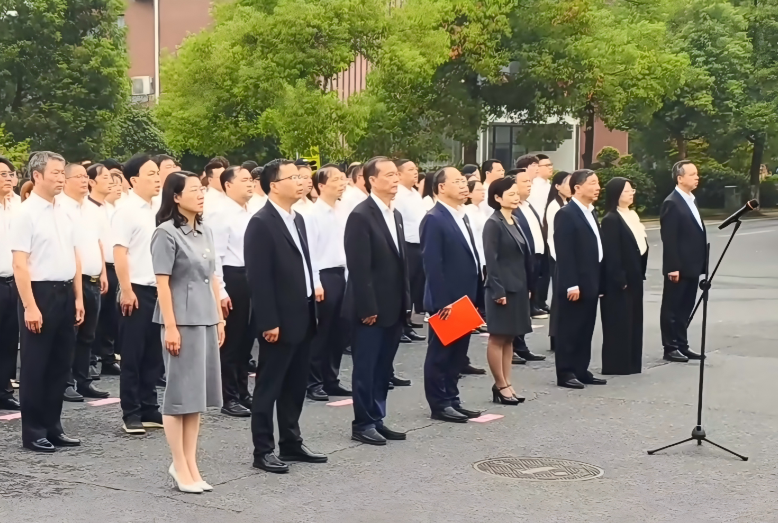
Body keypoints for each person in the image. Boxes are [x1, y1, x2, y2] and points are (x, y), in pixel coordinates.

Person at [245, 158, 326, 474]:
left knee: (295, 384)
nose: (301, 181)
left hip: (303, 312)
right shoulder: (261, 223)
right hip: (278, 319)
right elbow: (259, 278)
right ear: (274, 185)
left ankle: (291, 441)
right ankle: (263, 449)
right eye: (293, 177)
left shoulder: (298, 219)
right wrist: (268, 321)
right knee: (269, 386)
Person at [152, 170, 225, 494]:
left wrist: (219, 319)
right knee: (179, 397)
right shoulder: (166, 233)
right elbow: (162, 283)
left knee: (197, 398)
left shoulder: (204, 230)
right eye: (193, 190)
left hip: (204, 317)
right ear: (176, 196)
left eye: (201, 189)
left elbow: (212, 277)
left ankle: (191, 464)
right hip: (180, 321)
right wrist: (170, 326)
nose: (200, 194)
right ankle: (179, 464)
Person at [10, 151, 85, 452]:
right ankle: (33, 431)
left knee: (60, 364)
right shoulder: (25, 214)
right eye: (55, 172)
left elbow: (74, 255)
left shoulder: (65, 210)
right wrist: (30, 306)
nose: (61, 178)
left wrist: (78, 297)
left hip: (66, 291)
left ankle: (54, 426)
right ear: (37, 176)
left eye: (62, 172)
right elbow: (20, 264)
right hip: (39, 293)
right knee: (35, 365)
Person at [344, 156, 411, 446]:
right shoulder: (361, 215)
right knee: (366, 367)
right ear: (372, 180)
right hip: (370, 308)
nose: (395, 180)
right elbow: (359, 267)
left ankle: (377, 417)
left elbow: (400, 263)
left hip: (393, 304)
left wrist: (406, 301)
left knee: (384, 367)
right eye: (389, 175)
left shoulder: (395, 214)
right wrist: (367, 307)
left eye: (397, 174)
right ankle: (363, 422)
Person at [420, 167, 483, 423]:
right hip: (448, 300)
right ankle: (439, 403)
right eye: (457, 181)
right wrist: (443, 301)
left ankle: (453, 398)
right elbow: (432, 264)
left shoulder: (462, 215)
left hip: (465, 296)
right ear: (441, 187)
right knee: (441, 354)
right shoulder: (434, 218)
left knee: (458, 354)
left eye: (464, 181)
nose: (464, 185)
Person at [112, 153, 164, 434]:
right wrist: (126, 289)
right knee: (132, 353)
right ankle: (130, 411)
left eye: (158, 173)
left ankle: (149, 406)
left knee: (154, 354)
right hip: (136, 289)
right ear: (133, 180)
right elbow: (120, 252)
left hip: (159, 289)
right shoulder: (126, 210)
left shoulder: (159, 208)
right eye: (151, 174)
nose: (157, 178)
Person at [58, 164, 110, 402]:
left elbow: (98, 242)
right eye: (78, 176)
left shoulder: (92, 209)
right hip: (72, 281)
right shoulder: (60, 208)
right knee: (70, 334)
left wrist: (103, 272)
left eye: (85, 177)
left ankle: (84, 380)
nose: (83, 180)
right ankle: (65, 382)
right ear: (65, 180)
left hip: (93, 279)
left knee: (88, 335)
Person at [208, 165, 255, 417]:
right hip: (232, 276)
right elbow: (215, 256)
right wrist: (222, 291)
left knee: (246, 340)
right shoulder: (221, 214)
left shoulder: (251, 211)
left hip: (251, 276)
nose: (250, 183)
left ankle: (243, 391)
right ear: (228, 185)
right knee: (232, 341)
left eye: (251, 179)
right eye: (244, 180)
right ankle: (229, 397)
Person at [553, 169, 607, 389]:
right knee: (570, 328)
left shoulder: (591, 212)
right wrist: (571, 284)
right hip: (575, 282)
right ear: (577, 187)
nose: (597, 187)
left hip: (591, 278)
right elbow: (564, 252)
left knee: (586, 327)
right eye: (592, 183)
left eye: (598, 183)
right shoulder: (566, 214)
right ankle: (566, 372)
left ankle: (581, 369)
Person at [305, 165, 351, 401]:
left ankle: (331, 379)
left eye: (343, 179)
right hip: (323, 275)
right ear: (321, 186)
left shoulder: (344, 211)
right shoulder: (312, 214)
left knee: (339, 331)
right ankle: (314, 382)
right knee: (322, 331)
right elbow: (310, 251)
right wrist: (315, 282)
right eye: (336, 180)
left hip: (343, 273)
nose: (342, 183)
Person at [659, 160, 706, 363]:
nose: (697, 177)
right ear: (680, 178)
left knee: (685, 307)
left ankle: (682, 344)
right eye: (692, 174)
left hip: (692, 265)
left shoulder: (690, 200)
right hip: (678, 267)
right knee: (672, 308)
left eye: (697, 174)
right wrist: (673, 266)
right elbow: (669, 238)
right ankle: (670, 347)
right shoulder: (672, 202)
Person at [600, 177, 647, 375]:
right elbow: (612, 253)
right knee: (619, 322)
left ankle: (633, 362)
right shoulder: (611, 219)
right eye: (626, 191)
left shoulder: (632, 215)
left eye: (631, 190)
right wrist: (620, 279)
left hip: (635, 276)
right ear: (616, 194)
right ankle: (617, 364)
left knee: (634, 320)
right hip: (621, 280)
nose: (631, 194)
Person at [87, 164, 122, 376]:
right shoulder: (87, 208)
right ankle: (91, 360)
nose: (111, 182)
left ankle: (108, 358)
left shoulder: (111, 208)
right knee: (94, 317)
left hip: (114, 266)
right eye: (106, 177)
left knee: (110, 316)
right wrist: (101, 270)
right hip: (99, 269)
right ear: (92, 182)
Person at [393, 159, 427, 344]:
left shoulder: (414, 193)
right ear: (399, 174)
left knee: (415, 285)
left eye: (416, 169)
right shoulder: (397, 194)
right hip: (407, 244)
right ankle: (400, 327)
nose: (415, 172)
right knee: (405, 286)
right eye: (411, 169)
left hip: (419, 243)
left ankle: (408, 324)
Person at [544, 170, 571, 352]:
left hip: (563, 256)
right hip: (558, 256)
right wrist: (560, 257)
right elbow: (553, 236)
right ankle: (556, 336)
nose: (570, 187)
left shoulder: (566, 203)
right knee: (559, 298)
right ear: (557, 186)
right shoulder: (554, 206)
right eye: (567, 183)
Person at [0, 157, 19, 410]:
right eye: (2, 174)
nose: (7, 178)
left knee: (8, 340)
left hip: (11, 282)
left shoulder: (16, 207)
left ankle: (4, 391)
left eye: (9, 174)